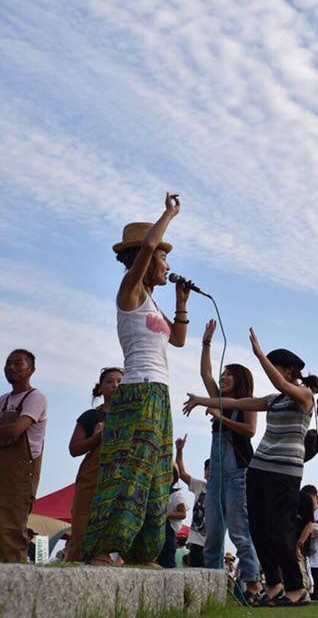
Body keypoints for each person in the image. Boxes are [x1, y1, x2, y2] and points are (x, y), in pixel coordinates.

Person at [85, 193, 194, 566]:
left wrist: (182, 303)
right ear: (143, 262)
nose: (166, 264)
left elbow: (177, 340)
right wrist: (170, 213)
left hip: (159, 393)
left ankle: (141, 551)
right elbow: (149, 244)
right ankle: (102, 547)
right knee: (128, 470)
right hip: (140, 390)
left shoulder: (153, 303)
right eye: (163, 258)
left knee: (158, 474)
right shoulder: (129, 291)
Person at [184, 329, 318, 607]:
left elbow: (281, 388)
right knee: (257, 528)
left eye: (276, 367)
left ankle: (296, 588)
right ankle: (274, 584)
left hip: (285, 472)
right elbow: (234, 402)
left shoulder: (304, 396)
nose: (272, 371)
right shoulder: (274, 400)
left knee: (278, 528)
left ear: (290, 371)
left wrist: (259, 355)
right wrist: (201, 399)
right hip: (259, 467)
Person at [196, 319, 262, 603]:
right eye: (223, 376)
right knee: (212, 534)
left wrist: (222, 418)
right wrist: (206, 343)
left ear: (240, 379)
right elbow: (205, 374)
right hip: (216, 477)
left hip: (238, 475)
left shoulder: (246, 402)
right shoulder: (218, 399)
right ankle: (213, 586)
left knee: (239, 531)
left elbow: (250, 431)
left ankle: (253, 584)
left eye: (228, 376)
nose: (222, 379)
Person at [64, 367, 122, 562]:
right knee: (82, 522)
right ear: (101, 388)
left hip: (120, 477)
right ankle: (75, 561)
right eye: (110, 381)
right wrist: (96, 438)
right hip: (91, 476)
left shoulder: (133, 418)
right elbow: (74, 449)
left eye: (120, 382)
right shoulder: (91, 416)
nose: (115, 385)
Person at [0, 349, 48, 563]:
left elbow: (16, 430)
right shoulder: (3, 400)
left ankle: (14, 583)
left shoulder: (35, 397)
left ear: (31, 370)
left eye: (18, 363)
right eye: (8, 363)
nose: (11, 367)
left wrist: (8, 432)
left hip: (21, 473)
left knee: (11, 528)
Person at [174, 435, 208, 568]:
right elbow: (181, 473)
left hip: (213, 544)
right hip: (195, 541)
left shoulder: (223, 491)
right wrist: (179, 450)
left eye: (213, 468)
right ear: (204, 473)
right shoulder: (200, 486)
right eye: (207, 469)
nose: (210, 471)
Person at [159, 467, 188, 568]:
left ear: (174, 477)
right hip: (159, 530)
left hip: (169, 531)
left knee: (167, 561)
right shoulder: (159, 493)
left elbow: (183, 514)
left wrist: (166, 514)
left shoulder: (176, 494)